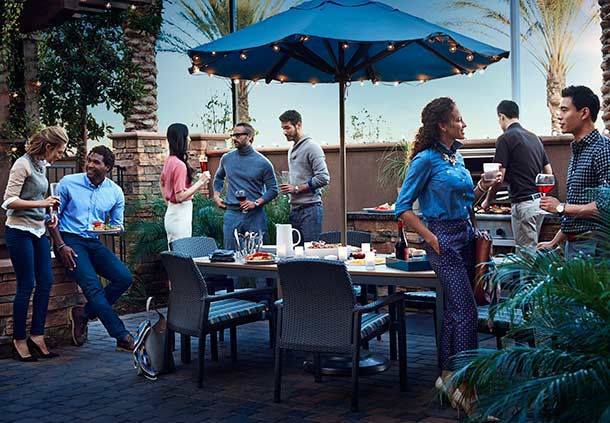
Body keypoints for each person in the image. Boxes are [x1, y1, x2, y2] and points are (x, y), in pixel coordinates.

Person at [394, 97, 499, 412]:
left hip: (465, 236)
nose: (464, 124)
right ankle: (465, 386)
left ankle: (447, 375)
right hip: (444, 240)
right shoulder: (425, 160)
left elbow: (469, 203)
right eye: (459, 119)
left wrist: (483, 185)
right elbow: (403, 208)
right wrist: (431, 238)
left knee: (457, 310)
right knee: (467, 311)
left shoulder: (458, 158)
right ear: (442, 125)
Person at [48, 146, 135, 351]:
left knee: (124, 277)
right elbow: (52, 220)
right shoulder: (69, 183)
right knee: (93, 287)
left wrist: (116, 228)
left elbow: (117, 224)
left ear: (108, 167)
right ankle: (122, 336)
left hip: (94, 241)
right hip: (70, 240)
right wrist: (61, 246)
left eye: (96, 162)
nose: (89, 165)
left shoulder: (115, 192)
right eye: (89, 160)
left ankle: (83, 313)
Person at [2, 126, 67, 361]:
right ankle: (19, 339)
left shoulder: (41, 165)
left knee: (46, 281)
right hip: (19, 231)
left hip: (39, 231)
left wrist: (50, 211)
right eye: (59, 151)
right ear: (48, 147)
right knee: (26, 284)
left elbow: (38, 197)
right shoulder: (23, 164)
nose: (61, 155)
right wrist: (42, 204)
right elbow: (9, 201)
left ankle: (37, 334)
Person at [539, 85, 610, 258]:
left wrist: (560, 207)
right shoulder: (578, 151)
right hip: (574, 246)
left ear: (584, 113)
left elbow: (605, 207)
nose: (559, 115)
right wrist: (553, 242)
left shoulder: (603, 150)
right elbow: (575, 216)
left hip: (594, 248)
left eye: (564, 109)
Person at [482, 100, 553, 249]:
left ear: (501, 116)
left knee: (525, 257)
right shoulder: (535, 138)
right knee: (532, 252)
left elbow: (498, 177)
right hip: (538, 204)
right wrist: (542, 195)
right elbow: (549, 173)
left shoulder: (505, 138)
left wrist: (487, 200)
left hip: (523, 204)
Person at [213, 122, 278, 250]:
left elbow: (273, 190)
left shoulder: (263, 163)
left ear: (249, 137)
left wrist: (256, 203)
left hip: (255, 215)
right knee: (230, 255)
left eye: (238, 135)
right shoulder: (226, 159)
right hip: (231, 214)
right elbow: (218, 178)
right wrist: (216, 195)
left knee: (257, 255)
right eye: (233, 135)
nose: (234, 138)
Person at [278, 110, 330, 243]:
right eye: (283, 128)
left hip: (310, 209)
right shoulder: (291, 149)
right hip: (295, 209)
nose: (284, 132)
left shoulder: (312, 147)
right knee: (295, 253)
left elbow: (323, 177)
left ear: (298, 125)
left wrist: (296, 188)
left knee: (310, 254)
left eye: (287, 127)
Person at [160, 123, 210, 245]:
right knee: (182, 254)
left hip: (173, 213)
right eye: (187, 136)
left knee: (175, 255)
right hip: (180, 216)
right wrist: (201, 182)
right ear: (181, 139)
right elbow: (180, 196)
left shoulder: (169, 161)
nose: (189, 139)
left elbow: (161, 183)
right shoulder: (179, 165)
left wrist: (169, 203)